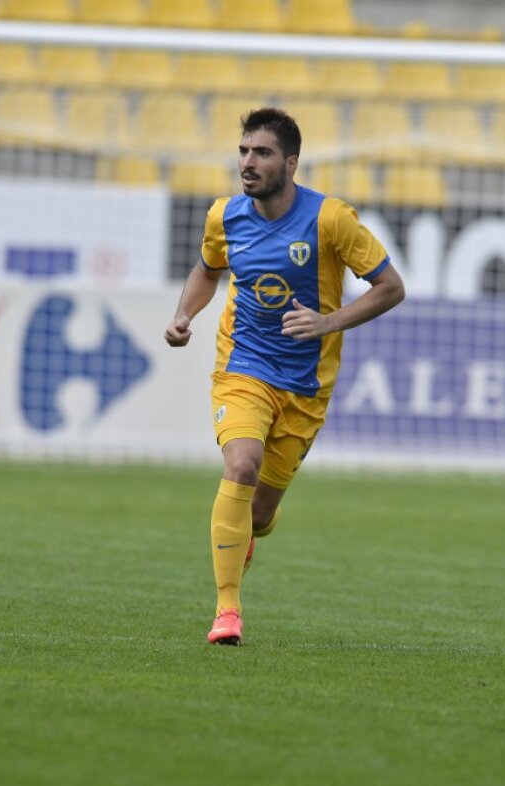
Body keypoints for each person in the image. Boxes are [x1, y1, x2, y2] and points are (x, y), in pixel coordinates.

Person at [164, 108, 405, 645]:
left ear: (290, 163)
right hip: (243, 365)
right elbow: (208, 270)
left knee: (262, 514)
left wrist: (328, 322)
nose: (248, 163)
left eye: (263, 153)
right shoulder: (224, 216)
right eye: (244, 151)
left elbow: (391, 287)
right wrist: (185, 315)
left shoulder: (331, 220)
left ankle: (249, 532)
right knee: (241, 463)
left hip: (305, 385)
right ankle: (227, 610)